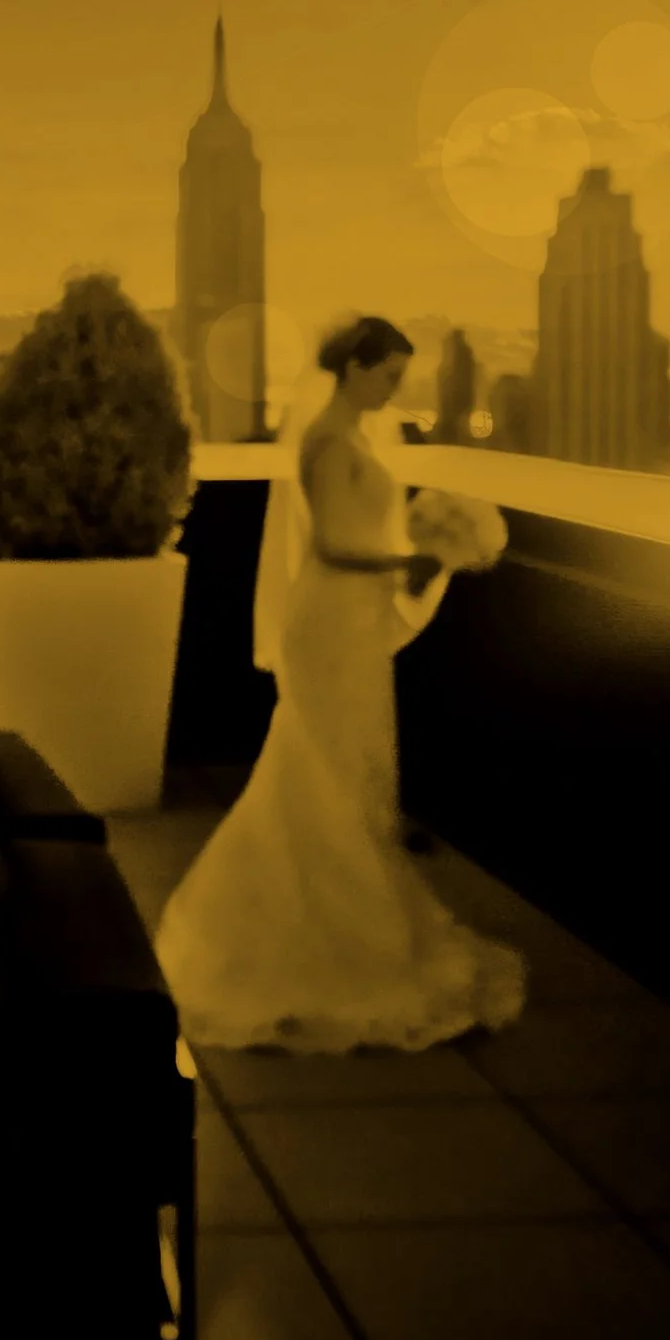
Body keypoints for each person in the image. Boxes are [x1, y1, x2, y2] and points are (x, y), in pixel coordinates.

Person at [152, 316, 526, 1050]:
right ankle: (314, 933)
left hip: (353, 621)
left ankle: (339, 918)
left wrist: (418, 552)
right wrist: (405, 566)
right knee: (320, 769)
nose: (394, 388)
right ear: (354, 369)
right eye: (387, 374)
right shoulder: (326, 442)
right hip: (331, 622)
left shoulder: (356, 439)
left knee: (347, 770)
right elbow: (330, 545)